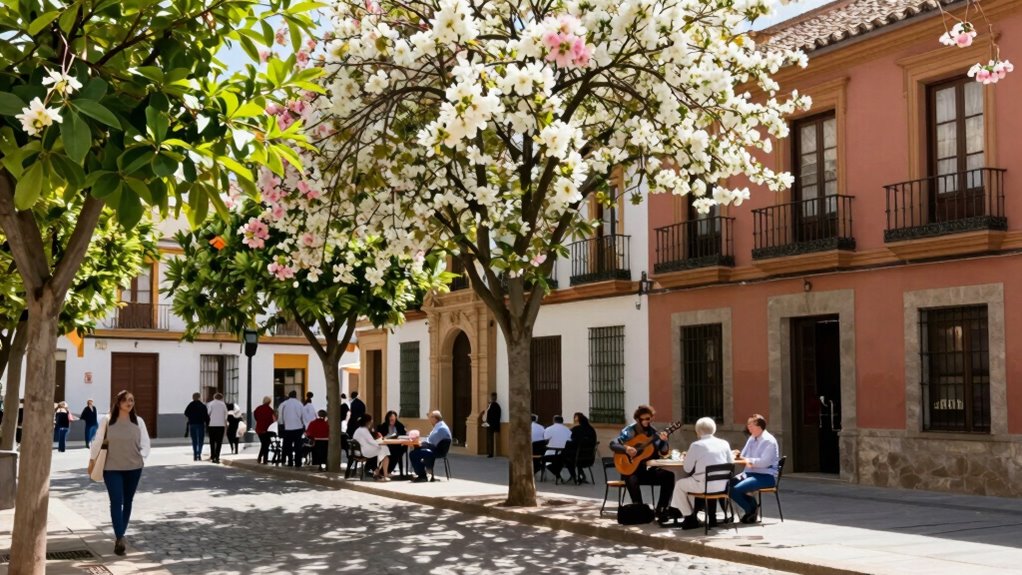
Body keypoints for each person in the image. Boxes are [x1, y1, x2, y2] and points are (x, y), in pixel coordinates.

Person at [88, 390, 151, 556]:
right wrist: (92, 459)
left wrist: (142, 457)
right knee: (116, 501)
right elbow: (98, 441)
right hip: (112, 468)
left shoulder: (139, 421)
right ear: (118, 403)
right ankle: (119, 537)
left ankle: (120, 535)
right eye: (125, 400)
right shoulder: (107, 421)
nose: (129, 403)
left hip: (134, 468)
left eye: (131, 400)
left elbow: (145, 443)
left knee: (128, 500)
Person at [609, 405, 676, 522]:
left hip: (647, 471)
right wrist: (626, 449)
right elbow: (613, 444)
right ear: (637, 419)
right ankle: (639, 509)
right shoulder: (629, 431)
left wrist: (664, 441)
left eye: (649, 418)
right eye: (643, 419)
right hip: (631, 470)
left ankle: (661, 509)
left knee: (668, 476)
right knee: (632, 478)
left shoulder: (653, 432)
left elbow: (664, 451)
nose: (646, 421)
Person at [669, 417, 734, 529]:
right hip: (723, 486)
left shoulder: (696, 445)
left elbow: (687, 469)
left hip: (704, 485)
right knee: (689, 484)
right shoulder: (724, 443)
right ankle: (696, 515)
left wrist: (687, 458)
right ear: (714, 429)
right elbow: (731, 464)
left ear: (698, 431)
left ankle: (689, 517)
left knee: (680, 485)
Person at [731, 414, 781, 524]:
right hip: (750, 473)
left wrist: (748, 460)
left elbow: (764, 462)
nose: (748, 427)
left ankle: (751, 510)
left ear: (759, 426)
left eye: (751, 425)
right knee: (727, 485)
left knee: (735, 489)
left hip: (766, 476)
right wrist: (738, 455)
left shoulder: (769, 441)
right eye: (748, 425)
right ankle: (752, 507)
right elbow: (744, 455)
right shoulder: (752, 438)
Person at [410, 410, 452, 483]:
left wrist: (420, 443)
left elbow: (430, 442)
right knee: (417, 450)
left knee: (413, 454)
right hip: (436, 449)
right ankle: (424, 472)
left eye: (430, 417)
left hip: (437, 451)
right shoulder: (440, 426)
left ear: (435, 418)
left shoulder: (440, 428)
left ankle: (422, 476)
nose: (429, 420)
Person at [557, 412, 598, 484]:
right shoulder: (591, 430)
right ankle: (581, 476)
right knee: (574, 455)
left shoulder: (576, 429)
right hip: (589, 457)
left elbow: (570, 440)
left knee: (564, 457)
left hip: (577, 458)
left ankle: (574, 476)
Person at [353, 413, 391, 480]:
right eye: (371, 420)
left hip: (361, 450)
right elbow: (371, 441)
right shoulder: (364, 430)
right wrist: (380, 442)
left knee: (384, 451)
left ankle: (378, 472)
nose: (372, 422)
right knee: (385, 451)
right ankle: (384, 475)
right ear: (368, 422)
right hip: (366, 451)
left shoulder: (359, 430)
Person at [278, 390, 306, 468]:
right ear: (296, 395)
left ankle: (290, 461)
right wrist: (304, 425)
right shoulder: (299, 404)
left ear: (289, 396)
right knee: (298, 446)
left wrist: (281, 424)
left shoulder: (283, 404)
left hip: (287, 428)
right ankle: (298, 462)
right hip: (298, 427)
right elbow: (303, 416)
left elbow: (280, 416)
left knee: (288, 446)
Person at [542, 415, 572, 481]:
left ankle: (558, 474)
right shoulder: (568, 430)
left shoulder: (549, 429)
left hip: (551, 453)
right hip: (564, 454)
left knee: (544, 460)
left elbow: (545, 439)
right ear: (562, 421)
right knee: (558, 462)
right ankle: (559, 474)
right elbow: (570, 440)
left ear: (553, 420)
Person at [377, 410, 407, 475]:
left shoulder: (400, 425)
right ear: (387, 419)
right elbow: (380, 437)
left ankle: (387, 471)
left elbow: (404, 435)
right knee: (391, 452)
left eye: (393, 420)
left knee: (397, 452)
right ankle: (384, 471)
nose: (392, 421)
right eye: (390, 420)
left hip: (398, 446)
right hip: (386, 445)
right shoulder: (383, 426)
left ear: (395, 419)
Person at [184, 393, 208, 461]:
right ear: (199, 397)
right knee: (200, 440)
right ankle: (199, 454)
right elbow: (206, 416)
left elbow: (186, 413)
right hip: (200, 424)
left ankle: (195, 454)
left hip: (192, 424)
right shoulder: (202, 405)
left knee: (194, 440)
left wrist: (191, 417)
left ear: (193, 398)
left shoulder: (190, 405)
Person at [206, 393, 228, 463]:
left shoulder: (211, 404)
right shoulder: (223, 404)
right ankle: (217, 456)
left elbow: (208, 413)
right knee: (219, 442)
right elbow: (226, 415)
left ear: (214, 397)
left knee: (212, 441)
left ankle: (212, 456)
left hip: (212, 425)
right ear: (221, 398)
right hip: (220, 425)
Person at [253, 396, 276, 464]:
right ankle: (263, 459)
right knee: (266, 444)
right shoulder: (270, 410)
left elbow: (255, 417)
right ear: (269, 402)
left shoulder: (258, 408)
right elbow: (273, 420)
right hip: (267, 429)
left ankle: (260, 458)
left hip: (259, 429)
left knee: (264, 444)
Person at [479, 392, 501, 458]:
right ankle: (492, 452)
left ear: (492, 398)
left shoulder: (492, 406)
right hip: (494, 425)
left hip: (490, 425)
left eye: (491, 397)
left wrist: (484, 415)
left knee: (490, 439)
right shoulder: (497, 406)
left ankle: (490, 453)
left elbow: (488, 416)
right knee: (491, 439)